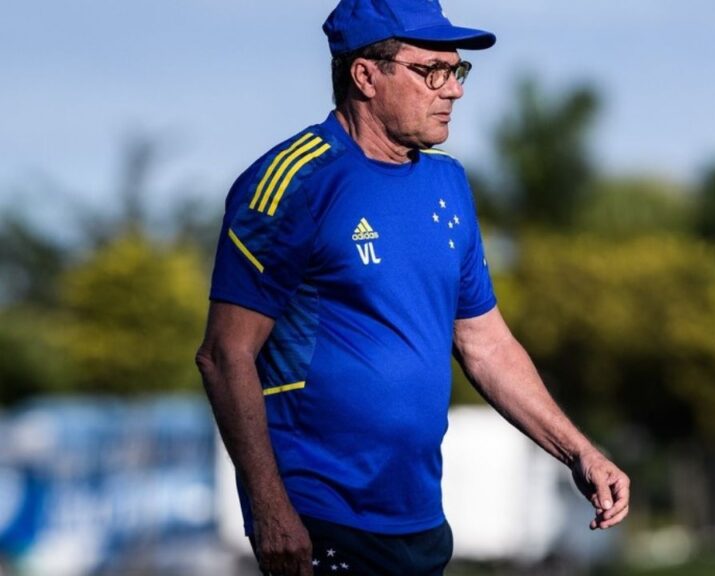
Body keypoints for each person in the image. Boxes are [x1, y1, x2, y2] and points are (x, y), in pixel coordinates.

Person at [194, 1, 630, 575]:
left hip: (419, 520)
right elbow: (225, 355)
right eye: (432, 71)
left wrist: (580, 452)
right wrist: (270, 509)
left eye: (458, 71)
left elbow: (487, 345)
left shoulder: (448, 184)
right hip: (319, 517)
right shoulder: (293, 182)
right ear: (366, 75)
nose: (453, 90)